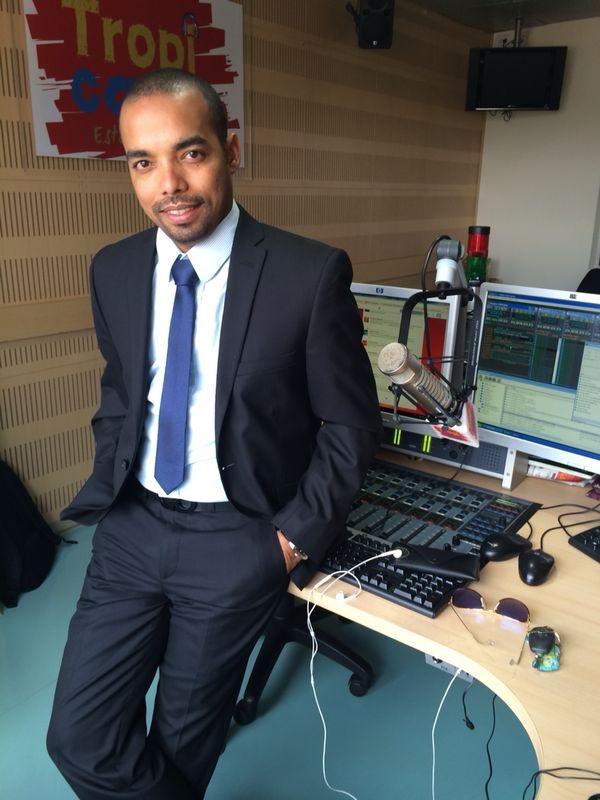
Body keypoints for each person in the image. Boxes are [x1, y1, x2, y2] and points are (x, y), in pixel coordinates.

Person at [46, 67, 381, 800]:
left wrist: (290, 540)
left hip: (240, 537)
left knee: (184, 743)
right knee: (78, 737)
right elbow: (122, 389)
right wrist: (110, 468)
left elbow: (350, 421)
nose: (169, 183)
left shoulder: (308, 273)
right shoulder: (114, 269)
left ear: (230, 149)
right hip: (133, 528)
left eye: (190, 153)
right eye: (143, 162)